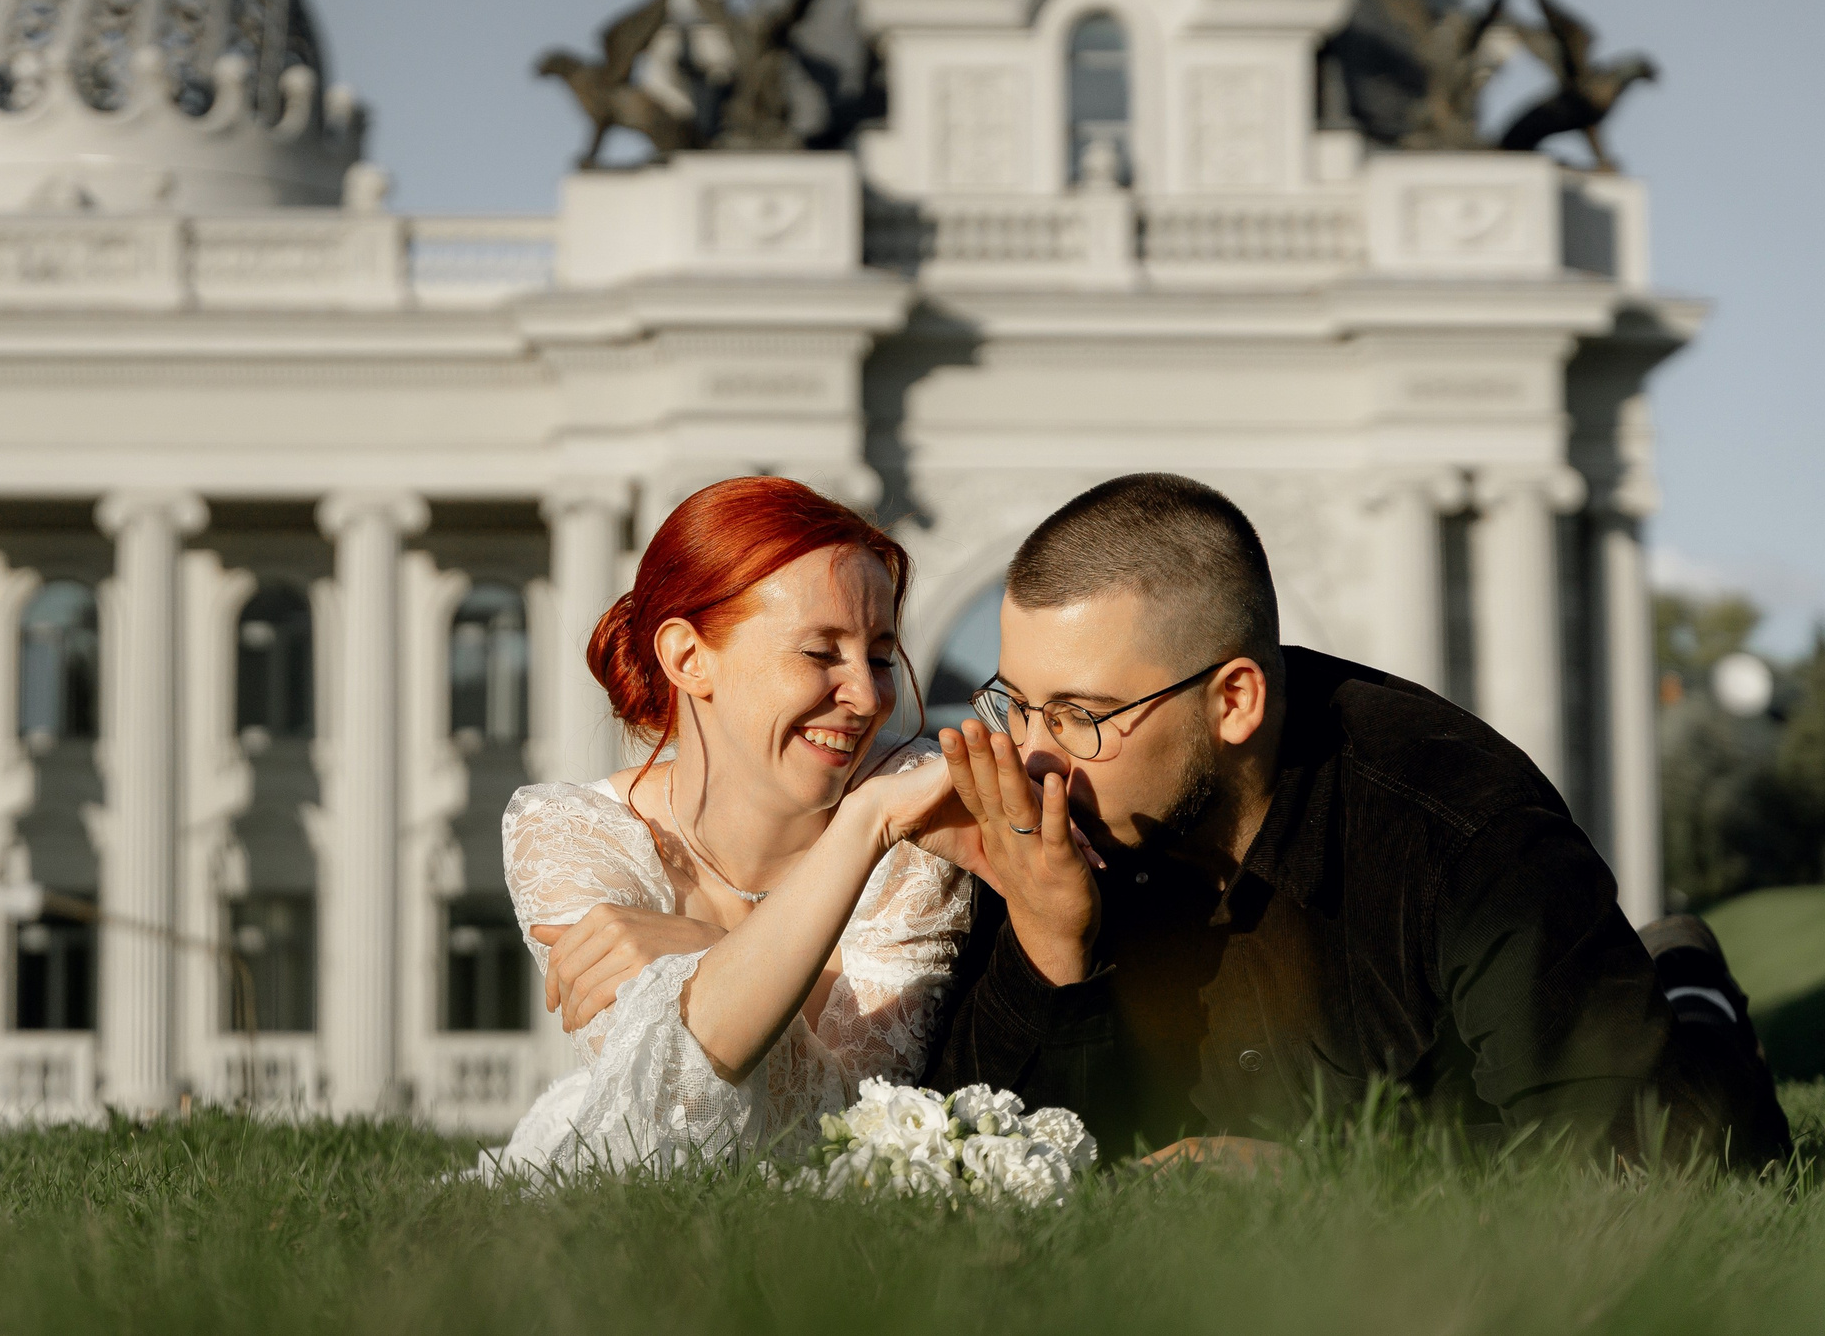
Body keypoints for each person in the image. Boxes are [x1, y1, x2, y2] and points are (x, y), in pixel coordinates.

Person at [926, 471, 1790, 1165]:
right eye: (1019, 703)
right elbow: (972, 1152)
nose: (1036, 756)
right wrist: (1048, 948)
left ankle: (1689, 995)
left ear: (1234, 701)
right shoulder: (1069, 818)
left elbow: (1621, 1159)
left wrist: (1314, 1175)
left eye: (1081, 713)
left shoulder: (1459, 824)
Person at [483, 476, 977, 1176]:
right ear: (688, 658)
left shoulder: (900, 806)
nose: (866, 697)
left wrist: (701, 951)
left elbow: (852, 1128)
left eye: (880, 657)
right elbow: (674, 1115)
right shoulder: (567, 832)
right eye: (819, 652)